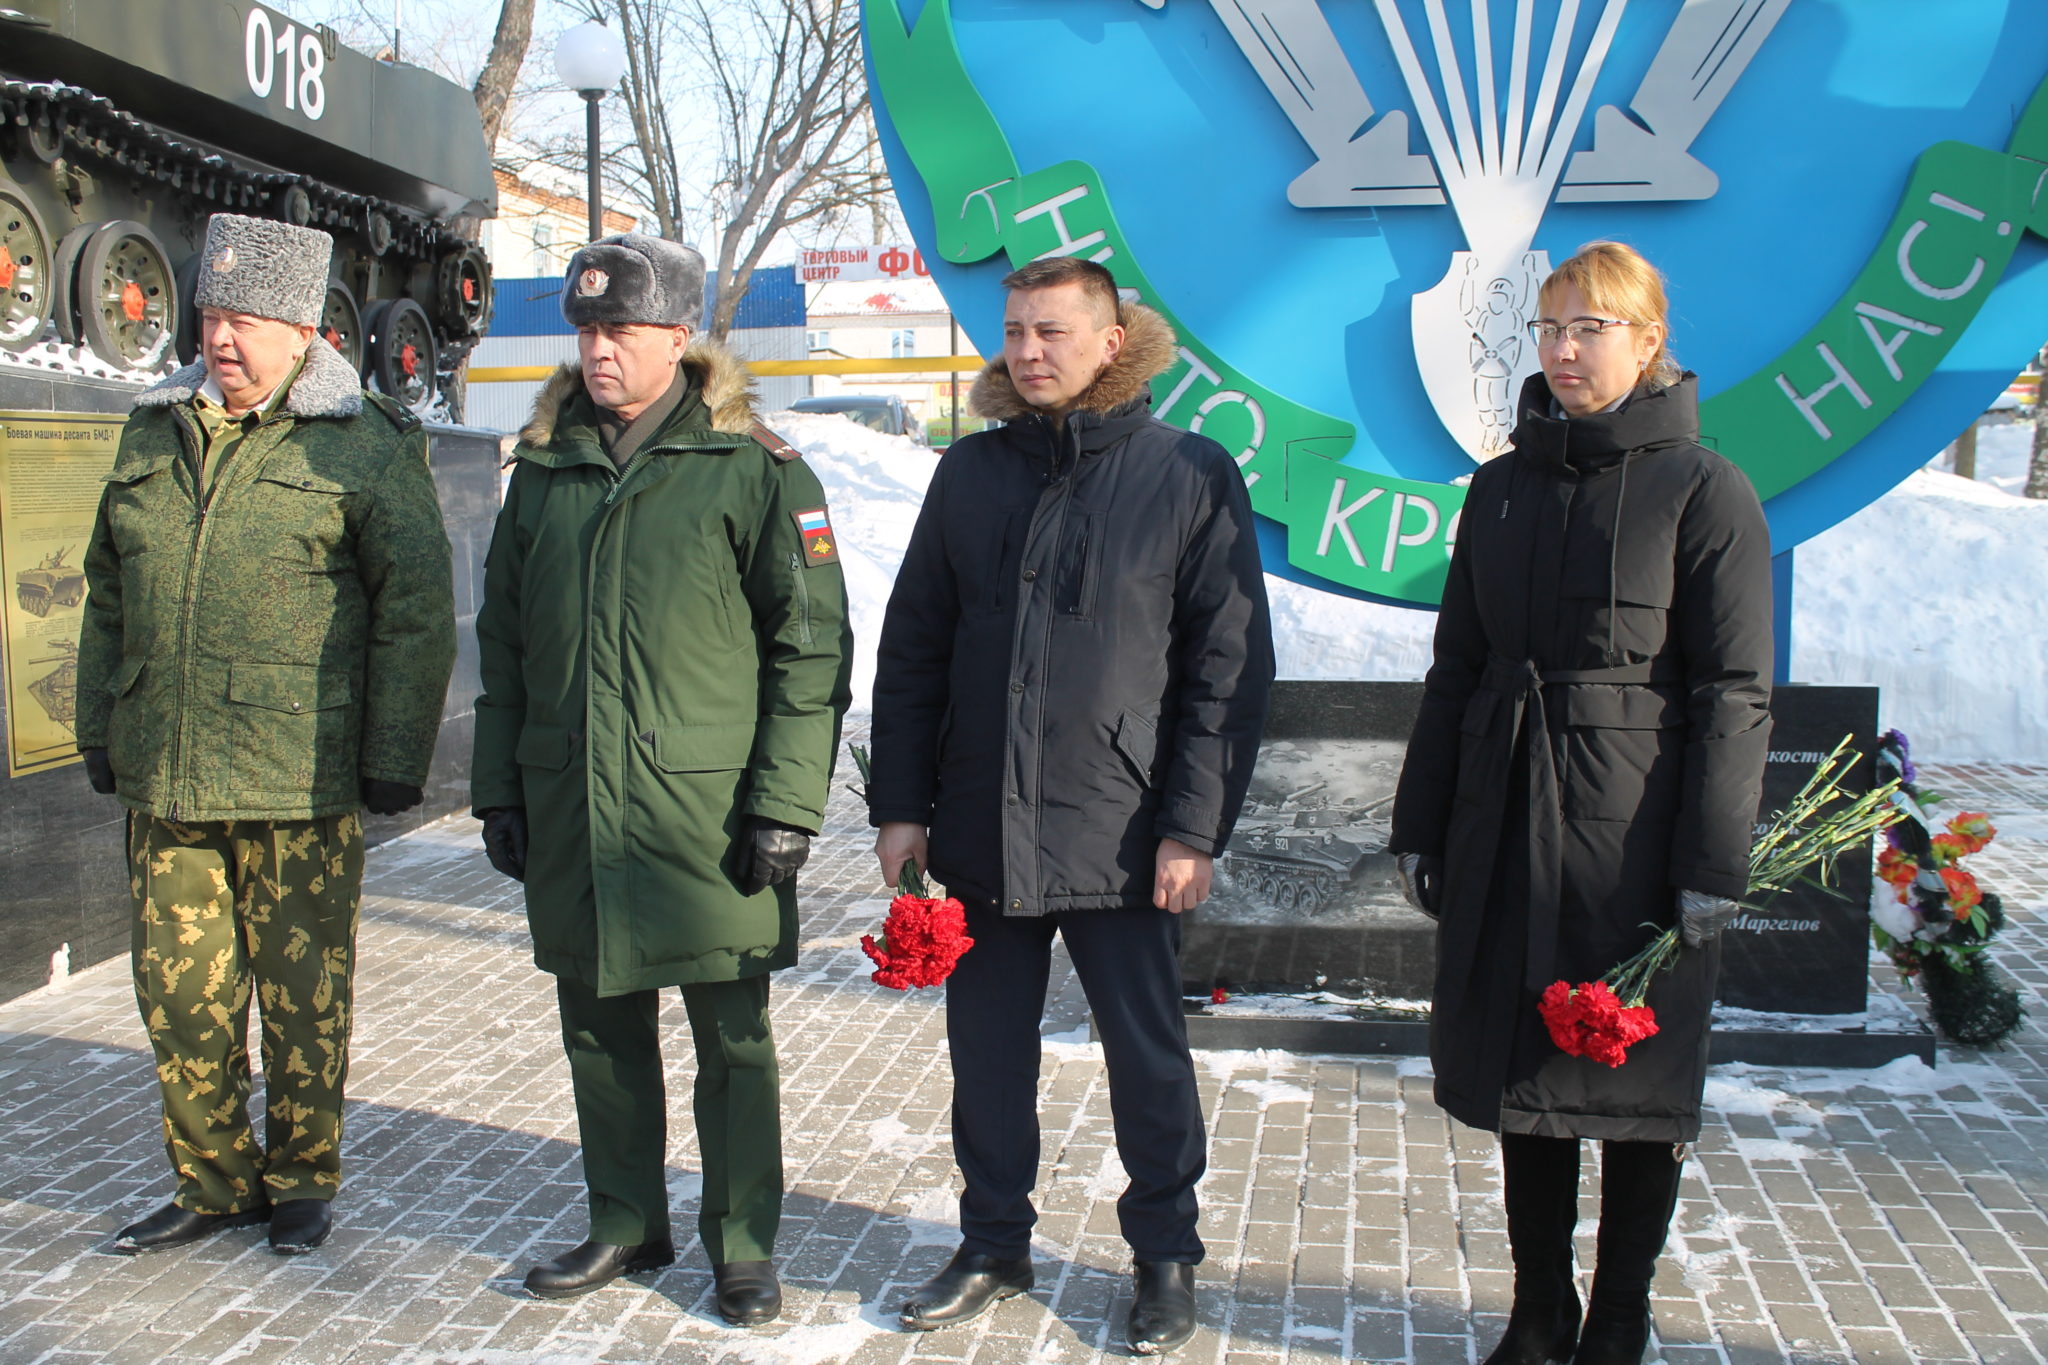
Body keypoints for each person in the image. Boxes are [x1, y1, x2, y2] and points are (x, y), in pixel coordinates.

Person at [866, 256, 1273, 1356]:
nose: (1028, 351)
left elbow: (1223, 673)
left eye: (1051, 331)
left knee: (1146, 1059)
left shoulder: (1186, 473)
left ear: (1109, 342)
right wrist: (899, 805)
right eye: (1014, 331)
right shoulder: (969, 475)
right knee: (984, 1056)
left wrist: (1193, 826)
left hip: (1125, 833)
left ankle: (1164, 1257)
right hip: (980, 829)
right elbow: (913, 650)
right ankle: (993, 1239)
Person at [1389, 241, 1773, 1365]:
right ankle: (1537, 1309)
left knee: (1628, 1075)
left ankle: (1617, 1315)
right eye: (1548, 329)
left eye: (1587, 330)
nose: (1560, 351)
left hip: (1634, 839)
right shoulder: (1499, 486)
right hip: (1505, 814)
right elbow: (1455, 664)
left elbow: (1734, 692)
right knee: (1525, 1075)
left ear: (1647, 341)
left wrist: (1710, 863)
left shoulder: (1704, 491)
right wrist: (1421, 822)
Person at [470, 233, 852, 1325]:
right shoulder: (542, 471)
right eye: (585, 330)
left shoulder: (753, 468)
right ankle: (626, 1221)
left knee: (732, 1038)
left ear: (678, 341)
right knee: (598, 1025)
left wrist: (785, 803)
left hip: (708, 815)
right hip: (575, 803)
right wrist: (500, 786)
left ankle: (742, 1244)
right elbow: (504, 643)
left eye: (619, 331)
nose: (596, 350)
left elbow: (811, 646)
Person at [75, 212, 456, 1257]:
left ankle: (300, 1179)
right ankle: (211, 1185)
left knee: (301, 1001)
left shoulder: (363, 445)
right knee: (182, 1005)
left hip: (300, 774)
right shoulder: (152, 430)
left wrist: (390, 758)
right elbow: (108, 589)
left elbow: (415, 609)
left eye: (245, 319)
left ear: (301, 333)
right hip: (169, 772)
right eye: (210, 315)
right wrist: (98, 720)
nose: (221, 338)